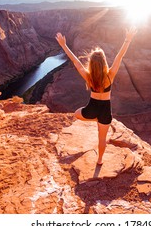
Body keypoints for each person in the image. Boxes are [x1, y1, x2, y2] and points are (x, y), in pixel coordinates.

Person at [55, 27, 137, 165]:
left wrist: (64, 45)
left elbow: (76, 62)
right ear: (104, 62)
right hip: (105, 110)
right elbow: (119, 56)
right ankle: (99, 160)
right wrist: (128, 39)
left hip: (91, 108)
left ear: (92, 64)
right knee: (102, 138)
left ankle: (94, 119)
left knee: (76, 114)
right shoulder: (110, 75)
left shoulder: (89, 77)